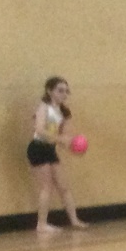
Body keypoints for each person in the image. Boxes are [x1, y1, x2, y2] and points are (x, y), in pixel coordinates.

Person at [27, 76, 87, 235]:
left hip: (50, 149)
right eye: (60, 90)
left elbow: (62, 137)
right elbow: (39, 129)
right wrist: (60, 139)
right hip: (38, 147)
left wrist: (72, 144)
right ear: (49, 91)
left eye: (66, 91)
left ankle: (74, 220)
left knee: (63, 186)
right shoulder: (44, 107)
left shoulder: (64, 112)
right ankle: (41, 224)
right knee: (46, 187)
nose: (64, 94)